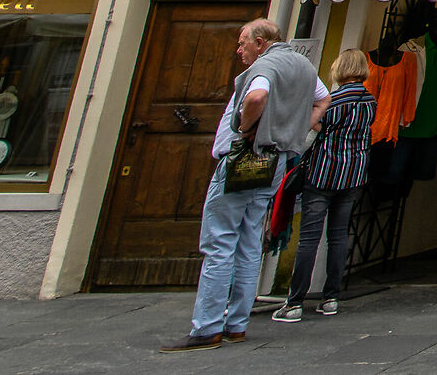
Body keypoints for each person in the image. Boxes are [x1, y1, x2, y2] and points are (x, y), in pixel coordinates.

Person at [160, 19, 330, 353]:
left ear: (261, 41)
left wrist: (245, 128)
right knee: (251, 238)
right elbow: (322, 102)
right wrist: (293, 134)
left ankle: (208, 326)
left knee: (220, 241)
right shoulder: (302, 65)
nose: (239, 50)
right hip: (275, 160)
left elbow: (257, 96)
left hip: (243, 158)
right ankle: (237, 322)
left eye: (243, 43)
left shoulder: (266, 66)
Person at [272, 49, 376, 323]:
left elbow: (316, 125)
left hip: (323, 171)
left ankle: (295, 301)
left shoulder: (332, 99)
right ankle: (331, 297)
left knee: (309, 238)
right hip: (353, 173)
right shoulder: (370, 101)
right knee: (339, 236)